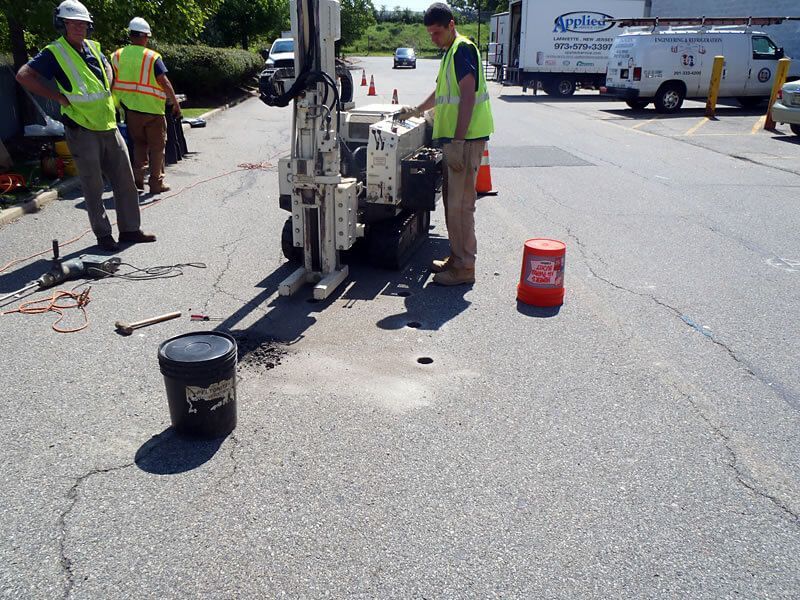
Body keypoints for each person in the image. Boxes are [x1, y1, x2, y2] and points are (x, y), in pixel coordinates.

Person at [15, 0, 156, 252]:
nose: (79, 28)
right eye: (73, 23)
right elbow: (23, 75)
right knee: (93, 185)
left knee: (125, 180)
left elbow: (109, 71)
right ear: (63, 24)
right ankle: (104, 236)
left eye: (83, 24)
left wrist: (109, 87)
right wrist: (58, 98)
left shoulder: (93, 47)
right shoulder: (54, 52)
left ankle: (130, 229)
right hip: (81, 128)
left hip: (108, 124)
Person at [397, 2, 494, 286]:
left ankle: (465, 268)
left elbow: (466, 96)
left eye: (437, 32)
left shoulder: (462, 48)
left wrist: (459, 141)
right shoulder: (450, 52)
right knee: (453, 205)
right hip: (455, 140)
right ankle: (456, 257)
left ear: (451, 25)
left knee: (461, 206)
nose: (433, 38)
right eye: (429, 34)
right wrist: (416, 110)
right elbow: (441, 93)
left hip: (465, 140)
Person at [111, 17, 181, 194]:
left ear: (130, 35)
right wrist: (175, 103)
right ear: (146, 37)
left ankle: (137, 181)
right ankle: (156, 184)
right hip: (153, 111)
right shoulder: (152, 57)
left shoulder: (117, 56)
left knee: (139, 145)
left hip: (131, 111)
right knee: (157, 148)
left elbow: (110, 82)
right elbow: (164, 81)